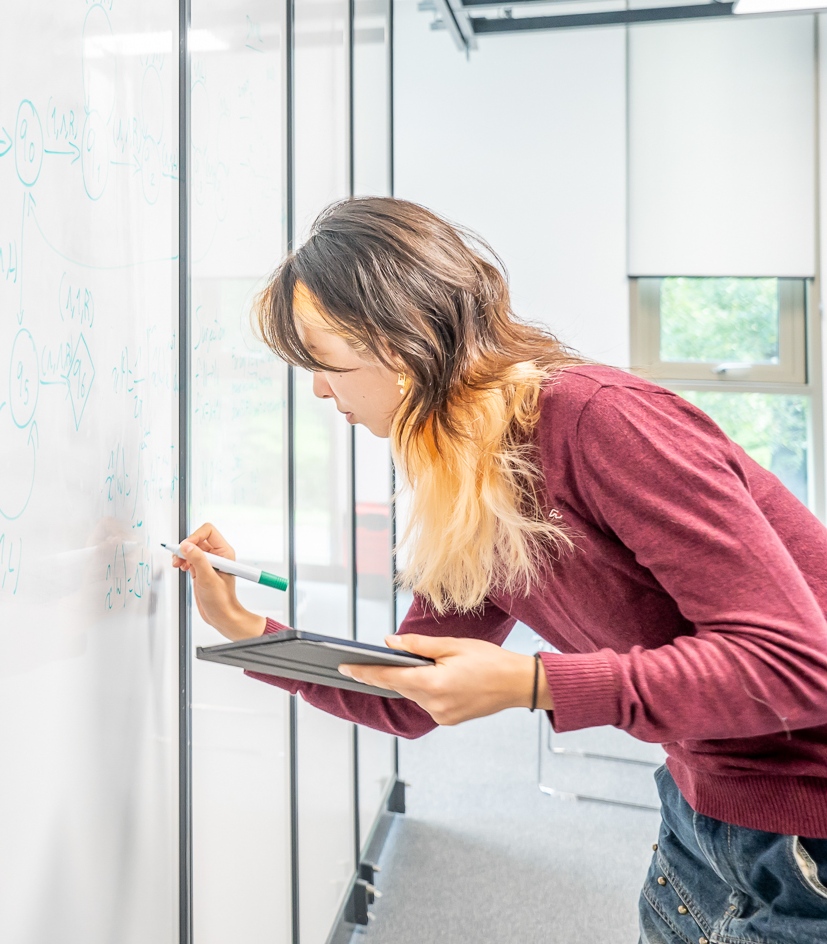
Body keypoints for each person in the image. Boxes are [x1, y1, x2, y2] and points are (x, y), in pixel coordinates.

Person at [173, 196, 827, 942]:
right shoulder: (471, 472)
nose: (320, 389)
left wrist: (533, 682)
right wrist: (249, 631)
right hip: (703, 808)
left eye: (325, 363)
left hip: (808, 831)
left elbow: (797, 664)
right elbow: (409, 694)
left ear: (400, 342)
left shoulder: (598, 419)